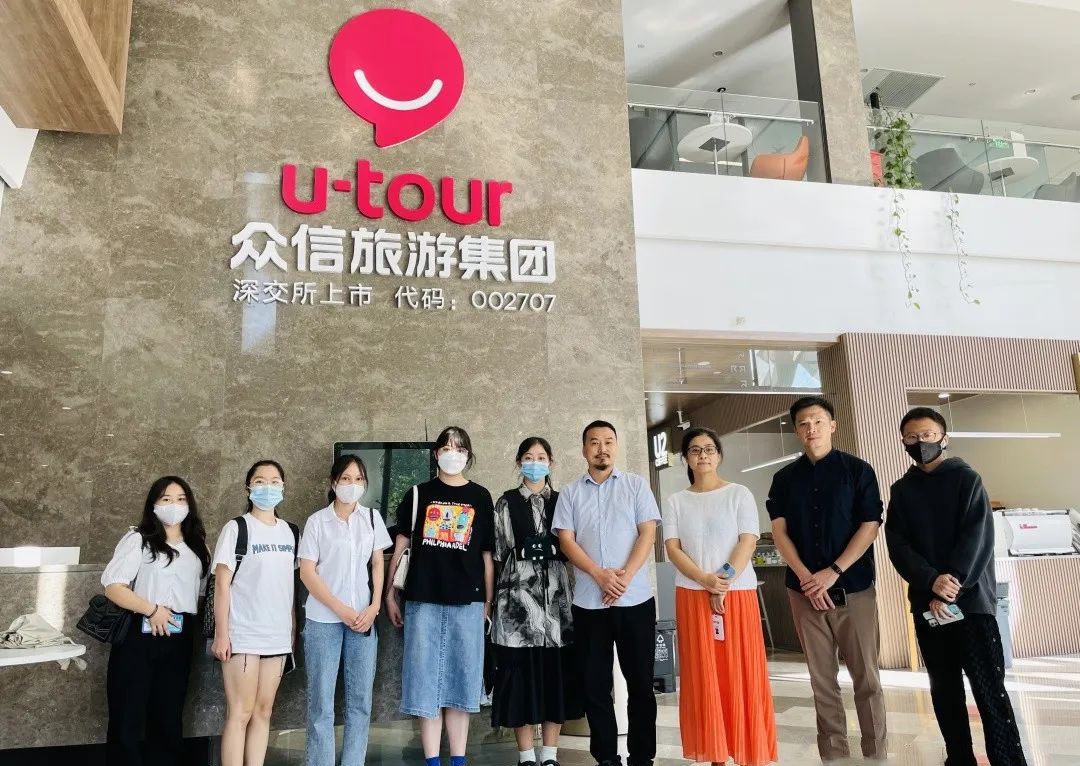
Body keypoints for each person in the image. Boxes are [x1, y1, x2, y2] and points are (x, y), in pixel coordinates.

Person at [886, 407, 1028, 766]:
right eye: (912, 437)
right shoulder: (901, 491)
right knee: (944, 691)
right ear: (903, 442)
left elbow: (976, 537)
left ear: (944, 438)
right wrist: (931, 582)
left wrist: (950, 585)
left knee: (989, 690)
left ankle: (1008, 760)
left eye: (928, 435)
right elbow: (898, 545)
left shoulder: (967, 479)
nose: (921, 442)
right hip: (928, 606)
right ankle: (959, 759)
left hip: (971, 603)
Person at [767, 396, 887, 763]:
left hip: (855, 589)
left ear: (832, 425)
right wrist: (808, 578)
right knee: (822, 682)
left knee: (867, 679)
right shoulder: (784, 479)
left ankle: (876, 756)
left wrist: (832, 572)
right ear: (796, 430)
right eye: (803, 423)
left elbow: (870, 525)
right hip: (804, 594)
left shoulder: (858, 470)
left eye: (818, 421)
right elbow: (779, 533)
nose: (811, 428)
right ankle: (835, 757)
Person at [663, 428, 778, 766]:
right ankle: (715, 754)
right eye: (695, 450)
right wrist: (705, 581)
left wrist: (722, 581)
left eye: (710, 449)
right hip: (692, 595)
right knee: (704, 675)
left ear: (719, 455)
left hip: (736, 595)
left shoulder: (739, 494)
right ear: (686, 458)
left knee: (741, 672)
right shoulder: (675, 501)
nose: (703, 455)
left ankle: (748, 752)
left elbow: (748, 541)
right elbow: (673, 549)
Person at [385, 427, 495, 766]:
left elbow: (487, 555)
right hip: (423, 600)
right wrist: (390, 594)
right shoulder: (418, 493)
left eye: (459, 448)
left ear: (468, 455)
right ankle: (432, 760)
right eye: (446, 448)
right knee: (425, 687)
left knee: (461, 686)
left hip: (468, 602)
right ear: (436, 454)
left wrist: (488, 603)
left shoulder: (480, 496)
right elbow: (401, 545)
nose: (452, 454)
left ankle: (458, 760)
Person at [552, 420, 661, 766]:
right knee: (595, 686)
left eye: (609, 441)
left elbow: (647, 534)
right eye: (595, 442)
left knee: (641, 683)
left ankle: (642, 757)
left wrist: (623, 578)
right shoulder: (570, 493)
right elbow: (566, 540)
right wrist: (600, 575)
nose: (602, 449)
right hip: (589, 603)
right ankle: (606, 757)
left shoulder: (636, 485)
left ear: (616, 446)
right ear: (584, 449)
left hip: (635, 600)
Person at [101, 475, 211, 766]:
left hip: (180, 636)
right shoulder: (139, 539)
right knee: (127, 716)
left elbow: (200, 591)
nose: (174, 505)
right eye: (166, 499)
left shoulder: (198, 546)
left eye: (181, 499)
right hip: (139, 634)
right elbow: (113, 586)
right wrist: (152, 610)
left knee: (168, 716)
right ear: (153, 504)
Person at [491, 437, 581, 766]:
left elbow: (574, 547)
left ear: (551, 462)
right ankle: (526, 755)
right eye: (528, 457)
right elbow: (498, 553)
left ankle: (550, 755)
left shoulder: (563, 500)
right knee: (519, 681)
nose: (535, 463)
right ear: (519, 463)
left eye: (541, 457)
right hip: (516, 608)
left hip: (557, 608)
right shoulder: (505, 502)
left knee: (554, 679)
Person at [299, 455, 393, 766]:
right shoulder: (317, 522)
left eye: (358, 479)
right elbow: (307, 573)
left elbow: (377, 563)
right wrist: (340, 609)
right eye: (346, 478)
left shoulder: (372, 518)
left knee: (360, 702)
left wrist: (375, 605)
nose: (352, 485)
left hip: (363, 619)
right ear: (333, 482)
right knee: (321, 704)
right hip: (323, 620)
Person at [211, 459, 300, 766]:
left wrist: (291, 631)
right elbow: (222, 585)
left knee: (264, 712)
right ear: (248, 487)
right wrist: (222, 634)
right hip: (243, 634)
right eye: (260, 481)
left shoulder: (291, 532)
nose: (268, 487)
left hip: (277, 636)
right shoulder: (237, 528)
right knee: (240, 713)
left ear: (283, 487)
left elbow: (288, 586)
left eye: (275, 481)